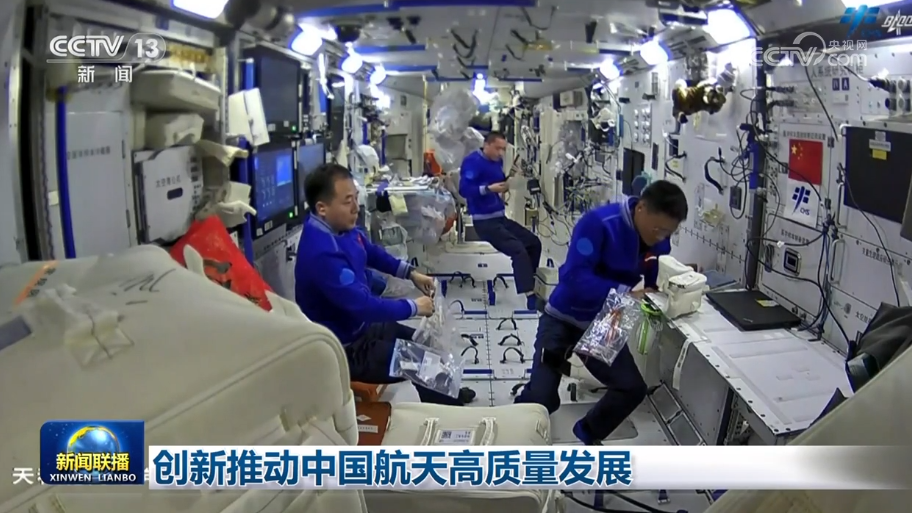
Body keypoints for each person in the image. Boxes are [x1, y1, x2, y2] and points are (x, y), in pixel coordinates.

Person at [514, 181, 688, 444]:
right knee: (541, 398)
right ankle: (513, 431)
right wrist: (625, 292)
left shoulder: (658, 240)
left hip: (609, 319)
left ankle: (588, 432)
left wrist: (670, 284)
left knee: (631, 388)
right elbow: (574, 276)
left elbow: (654, 268)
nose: (662, 238)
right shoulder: (598, 223)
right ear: (641, 208)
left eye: (669, 233)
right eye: (659, 230)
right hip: (564, 317)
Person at [296, 163, 476, 405]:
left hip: (361, 327)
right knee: (418, 362)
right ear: (322, 208)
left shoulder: (341, 228)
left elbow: (369, 251)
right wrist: (414, 307)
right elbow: (364, 306)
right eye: (347, 201)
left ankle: (449, 392)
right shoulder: (322, 253)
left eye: (356, 197)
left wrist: (411, 273)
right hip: (345, 348)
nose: (355, 206)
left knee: (424, 343)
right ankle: (451, 412)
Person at [459, 132, 542, 310]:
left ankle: (531, 282)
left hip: (499, 217)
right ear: (486, 145)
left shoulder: (497, 161)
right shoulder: (473, 162)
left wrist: (505, 185)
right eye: (498, 149)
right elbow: (464, 190)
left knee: (534, 243)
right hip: (484, 221)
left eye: (503, 149)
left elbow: (496, 183)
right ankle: (530, 296)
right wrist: (489, 189)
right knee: (518, 250)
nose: (501, 153)